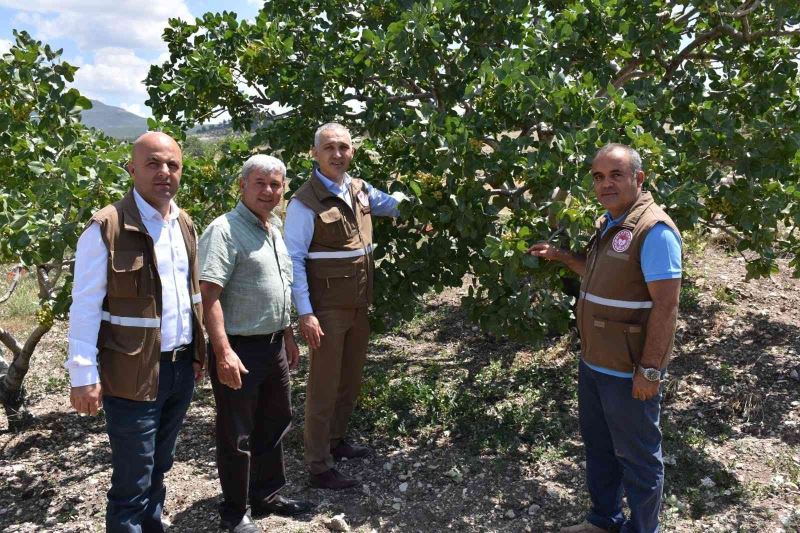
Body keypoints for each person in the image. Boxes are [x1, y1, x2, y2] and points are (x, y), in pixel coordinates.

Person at [529, 144, 682, 533]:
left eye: (616, 174)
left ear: (638, 179)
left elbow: (666, 306)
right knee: (600, 450)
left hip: (628, 369)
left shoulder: (654, 231)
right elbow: (601, 275)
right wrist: (564, 256)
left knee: (640, 459)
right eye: (598, 176)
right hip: (594, 362)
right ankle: (602, 521)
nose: (605, 183)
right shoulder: (611, 222)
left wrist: (650, 370)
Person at [66, 131, 205, 533]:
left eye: (172, 165)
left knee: (160, 467)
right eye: (153, 163)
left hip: (180, 370)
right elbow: (86, 306)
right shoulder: (105, 228)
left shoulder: (183, 223)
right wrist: (83, 375)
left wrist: (199, 354)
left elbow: (189, 298)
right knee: (132, 480)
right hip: (132, 374)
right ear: (132, 169)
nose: (164, 172)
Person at [284, 122, 406, 489]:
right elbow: (294, 260)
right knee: (323, 385)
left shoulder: (359, 189)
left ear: (353, 151)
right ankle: (318, 465)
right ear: (315, 153)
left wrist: (425, 196)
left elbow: (393, 205)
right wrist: (305, 312)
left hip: (358, 305)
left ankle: (336, 442)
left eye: (344, 147)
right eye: (329, 148)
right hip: (326, 311)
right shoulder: (304, 202)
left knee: (348, 380)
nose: (337, 154)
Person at [199, 154, 313, 532]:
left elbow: (278, 289)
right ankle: (235, 512)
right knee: (237, 433)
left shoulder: (273, 229)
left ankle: (267, 495)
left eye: (276, 185)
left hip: (273, 346)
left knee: (275, 420)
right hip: (238, 348)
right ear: (242, 185)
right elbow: (209, 296)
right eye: (260, 183)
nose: (268, 191)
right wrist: (223, 351)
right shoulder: (225, 230)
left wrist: (288, 336)